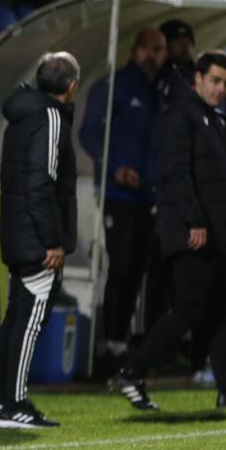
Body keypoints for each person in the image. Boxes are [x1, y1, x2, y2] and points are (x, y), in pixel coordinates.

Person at [109, 50, 226, 410]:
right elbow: (175, 174)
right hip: (194, 232)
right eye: (216, 81)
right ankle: (132, 370)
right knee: (188, 310)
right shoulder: (181, 116)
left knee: (220, 310)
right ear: (198, 79)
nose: (221, 89)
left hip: (217, 233)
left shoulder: (213, 118)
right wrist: (195, 221)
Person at [0, 53, 79, 429]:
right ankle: (14, 404)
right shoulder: (49, 117)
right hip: (36, 239)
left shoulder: (20, 115)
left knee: (16, 317)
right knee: (29, 321)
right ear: (71, 86)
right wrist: (54, 240)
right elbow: (42, 183)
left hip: (17, 231)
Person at [76, 28, 164, 359]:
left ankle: (123, 340)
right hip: (118, 194)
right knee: (121, 265)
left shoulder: (161, 91)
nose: (155, 56)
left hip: (149, 196)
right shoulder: (113, 87)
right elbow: (89, 134)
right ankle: (110, 341)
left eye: (160, 50)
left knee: (140, 268)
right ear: (135, 50)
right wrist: (114, 169)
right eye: (150, 49)